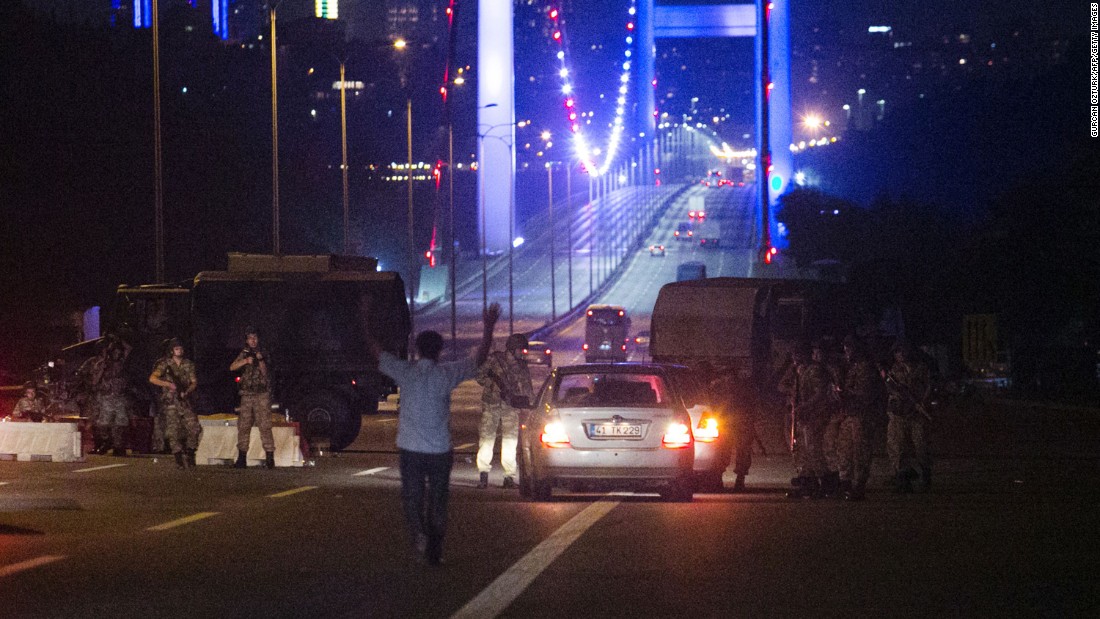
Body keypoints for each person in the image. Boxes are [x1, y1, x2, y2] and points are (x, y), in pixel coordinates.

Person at [368, 302, 500, 566]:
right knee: (438, 501)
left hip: (411, 449)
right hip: (439, 450)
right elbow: (479, 359)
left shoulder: (406, 372)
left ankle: (419, 535)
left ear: (417, 350)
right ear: (440, 351)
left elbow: (377, 352)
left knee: (412, 498)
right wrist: (488, 327)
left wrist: (364, 316)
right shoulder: (447, 373)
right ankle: (435, 552)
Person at [474, 333, 533, 489]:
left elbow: (527, 388)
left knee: (510, 441)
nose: (523, 353)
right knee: (487, 439)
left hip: (510, 407)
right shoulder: (494, 360)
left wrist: (529, 405)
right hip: (491, 404)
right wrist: (493, 384)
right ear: (512, 349)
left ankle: (508, 476)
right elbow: (479, 376)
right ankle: (483, 474)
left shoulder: (521, 366)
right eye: (521, 350)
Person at [835, 335, 884, 501]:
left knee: (860, 452)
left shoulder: (865, 368)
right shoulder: (851, 367)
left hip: (862, 415)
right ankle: (846, 483)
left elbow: (865, 394)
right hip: (850, 414)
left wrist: (844, 394)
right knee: (845, 449)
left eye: (849, 347)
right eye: (845, 347)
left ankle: (859, 485)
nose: (846, 351)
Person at [784, 343, 833, 499]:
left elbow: (820, 393)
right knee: (803, 450)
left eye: (797, 354)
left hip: (815, 415)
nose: (794, 358)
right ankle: (807, 482)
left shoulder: (814, 371)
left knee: (813, 448)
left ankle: (825, 482)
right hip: (804, 416)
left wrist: (806, 406)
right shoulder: (800, 371)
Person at [884, 339, 933, 492]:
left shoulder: (921, 368)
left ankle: (925, 473)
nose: (901, 354)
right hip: (899, 414)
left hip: (917, 414)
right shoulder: (893, 370)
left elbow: (929, 386)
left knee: (921, 446)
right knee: (897, 446)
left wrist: (923, 402)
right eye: (897, 352)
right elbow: (890, 389)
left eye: (903, 350)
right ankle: (902, 479)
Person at [148, 338, 201, 469]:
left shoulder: (188, 364)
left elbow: (194, 382)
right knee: (173, 432)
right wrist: (167, 384)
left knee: (194, 428)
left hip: (185, 401)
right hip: (170, 401)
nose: (179, 351)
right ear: (172, 350)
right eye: (177, 348)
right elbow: (152, 378)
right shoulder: (165, 364)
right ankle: (178, 458)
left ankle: (190, 452)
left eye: (181, 348)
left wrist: (187, 391)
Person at [229, 326, 274, 469]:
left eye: (254, 338)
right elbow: (232, 367)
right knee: (244, 426)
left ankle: (270, 458)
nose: (252, 341)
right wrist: (246, 361)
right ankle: (242, 458)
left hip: (262, 394)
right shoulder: (244, 353)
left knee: (265, 425)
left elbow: (266, 372)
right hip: (247, 394)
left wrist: (260, 360)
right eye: (250, 338)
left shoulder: (264, 352)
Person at [88, 336, 133, 456]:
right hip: (106, 398)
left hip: (120, 397)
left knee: (120, 425)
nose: (117, 354)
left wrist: (118, 337)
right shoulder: (102, 364)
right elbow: (94, 381)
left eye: (119, 352)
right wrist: (103, 368)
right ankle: (106, 442)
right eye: (115, 352)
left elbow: (129, 348)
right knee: (103, 424)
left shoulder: (123, 363)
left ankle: (119, 447)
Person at [814, 339, 844, 497]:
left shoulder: (832, 370)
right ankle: (826, 480)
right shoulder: (814, 369)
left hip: (832, 412)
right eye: (816, 352)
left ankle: (836, 479)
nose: (817, 355)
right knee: (818, 447)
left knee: (830, 445)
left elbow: (838, 390)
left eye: (820, 352)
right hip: (819, 413)